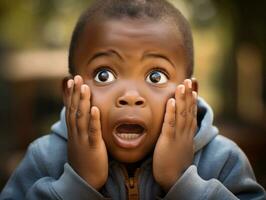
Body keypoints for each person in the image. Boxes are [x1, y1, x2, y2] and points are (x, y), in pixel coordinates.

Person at [1, 0, 265, 199]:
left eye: (156, 76)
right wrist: (78, 183)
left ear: (189, 93)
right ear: (70, 92)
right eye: (104, 75)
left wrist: (181, 182)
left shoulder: (223, 161)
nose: (130, 96)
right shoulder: (44, 159)